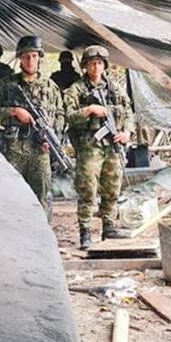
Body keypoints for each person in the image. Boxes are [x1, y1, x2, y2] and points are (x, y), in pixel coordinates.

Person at [63, 45, 133, 249]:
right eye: (92, 63)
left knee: (112, 187)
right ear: (85, 66)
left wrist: (127, 133)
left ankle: (109, 227)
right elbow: (68, 116)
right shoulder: (76, 89)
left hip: (112, 144)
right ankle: (85, 231)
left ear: (104, 65)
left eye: (99, 63)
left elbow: (128, 111)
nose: (96, 67)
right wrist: (89, 110)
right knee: (87, 190)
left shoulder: (114, 88)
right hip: (89, 145)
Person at [0, 35, 65, 210]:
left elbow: (60, 115)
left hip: (40, 152)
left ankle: (41, 235)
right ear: (20, 58)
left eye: (34, 56)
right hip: (14, 149)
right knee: (10, 196)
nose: (30, 60)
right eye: (26, 56)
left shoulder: (50, 87)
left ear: (39, 58)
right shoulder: (6, 85)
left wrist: (53, 139)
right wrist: (14, 111)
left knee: (42, 198)